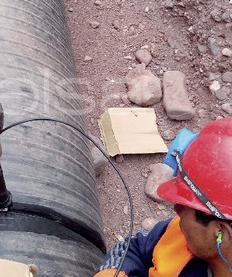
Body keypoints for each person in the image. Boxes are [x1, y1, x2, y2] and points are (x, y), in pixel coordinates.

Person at [95, 117, 232, 277]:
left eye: (185, 207)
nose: (176, 210)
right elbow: (134, 247)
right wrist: (113, 271)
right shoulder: (183, 235)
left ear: (220, 232)